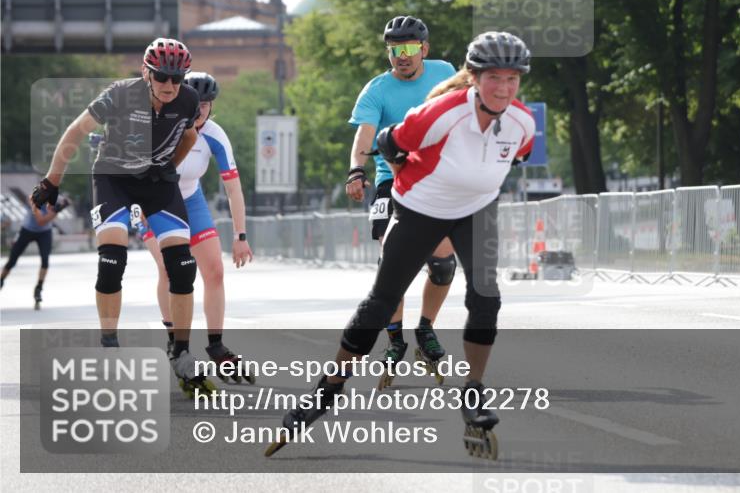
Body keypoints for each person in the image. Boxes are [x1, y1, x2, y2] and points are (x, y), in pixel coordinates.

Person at [268, 31, 534, 460]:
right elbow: (389, 142)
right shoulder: (443, 112)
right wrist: (407, 180)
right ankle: (329, 387)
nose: (503, 88)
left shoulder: (523, 123)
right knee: (381, 303)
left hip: (475, 212)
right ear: (474, 77)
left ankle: (474, 393)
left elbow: (511, 157)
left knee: (487, 297)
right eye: (493, 78)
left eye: (512, 79)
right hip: (419, 208)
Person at [30, 37, 215, 395]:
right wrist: (52, 182)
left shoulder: (188, 100)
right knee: (112, 259)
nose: (169, 86)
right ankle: (109, 344)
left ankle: (180, 351)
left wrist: (168, 167)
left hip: (156, 180)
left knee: (181, 265)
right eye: (162, 76)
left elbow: (189, 137)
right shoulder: (119, 94)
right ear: (147, 72)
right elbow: (75, 132)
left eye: (177, 79)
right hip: (114, 178)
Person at [346, 15, 458, 385]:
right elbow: (365, 135)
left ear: (424, 49)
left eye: (409, 49)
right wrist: (355, 171)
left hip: (436, 178)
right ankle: (394, 340)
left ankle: (425, 330)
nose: (402, 57)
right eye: (395, 50)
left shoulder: (444, 72)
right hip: (390, 181)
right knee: (390, 262)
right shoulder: (376, 90)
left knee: (442, 264)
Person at [140, 72, 255, 382]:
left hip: (190, 200)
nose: (201, 108)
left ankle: (216, 346)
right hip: (156, 201)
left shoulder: (215, 134)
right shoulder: (163, 123)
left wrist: (241, 236)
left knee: (215, 271)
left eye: (207, 103)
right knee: (169, 269)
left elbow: (233, 189)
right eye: (197, 102)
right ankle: (175, 343)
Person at [1, 195, 70, 309]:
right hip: (27, 230)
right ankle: (1, 279)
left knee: (45, 261)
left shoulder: (55, 196)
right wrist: (57, 210)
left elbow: (67, 200)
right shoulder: (34, 197)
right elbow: (41, 221)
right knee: (12, 261)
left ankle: (38, 288)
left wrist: (64, 203)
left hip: (44, 233)